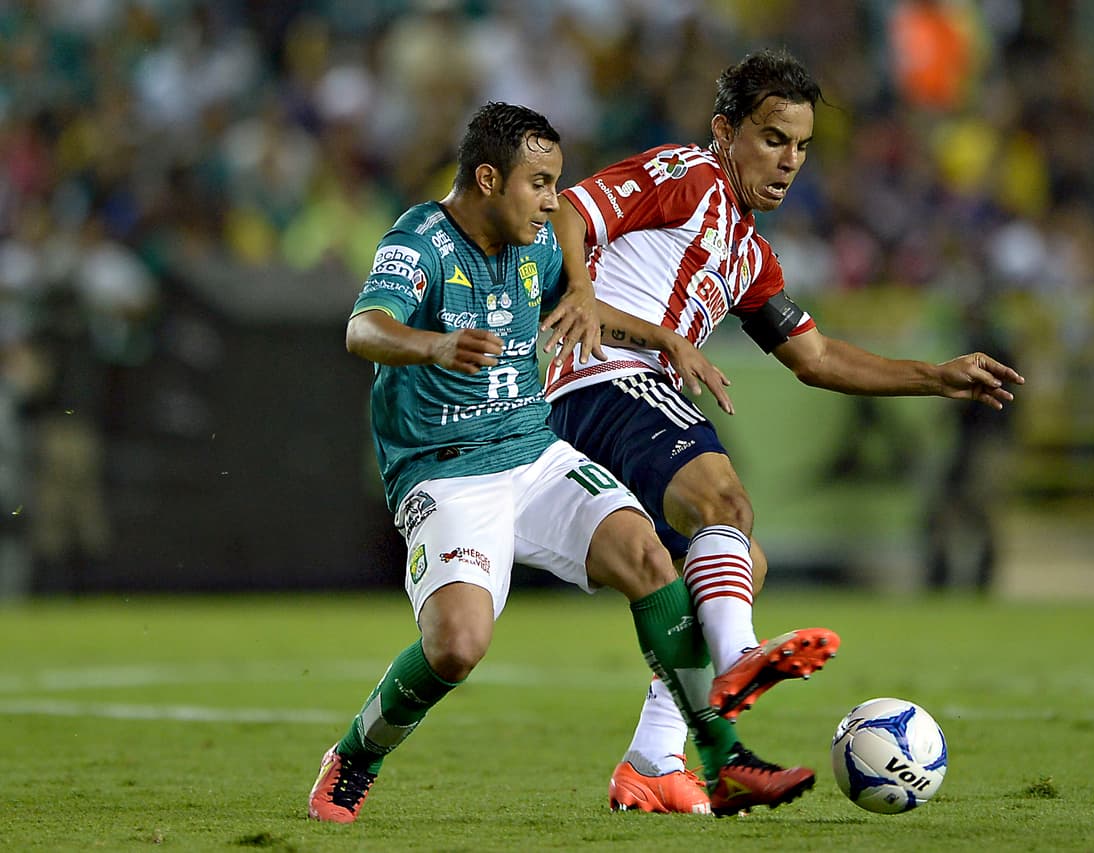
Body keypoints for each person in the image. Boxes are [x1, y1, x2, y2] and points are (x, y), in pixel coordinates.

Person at [306, 101, 818, 824]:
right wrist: (433, 346)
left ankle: (723, 758)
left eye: (557, 183)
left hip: (533, 452)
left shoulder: (536, 244)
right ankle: (356, 753)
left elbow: (587, 309)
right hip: (445, 470)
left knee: (649, 558)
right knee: (457, 645)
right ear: (488, 178)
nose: (554, 201)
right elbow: (364, 326)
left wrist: (662, 338)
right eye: (540, 183)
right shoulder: (420, 238)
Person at [544, 48, 1025, 813]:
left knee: (739, 567)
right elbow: (572, 208)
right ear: (725, 131)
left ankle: (652, 758)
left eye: (801, 146)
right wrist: (579, 293)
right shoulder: (689, 175)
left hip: (615, 396)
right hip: (601, 375)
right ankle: (740, 663)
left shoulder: (746, 252)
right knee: (725, 503)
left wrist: (935, 376)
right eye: (772, 139)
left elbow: (817, 354)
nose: (789, 161)